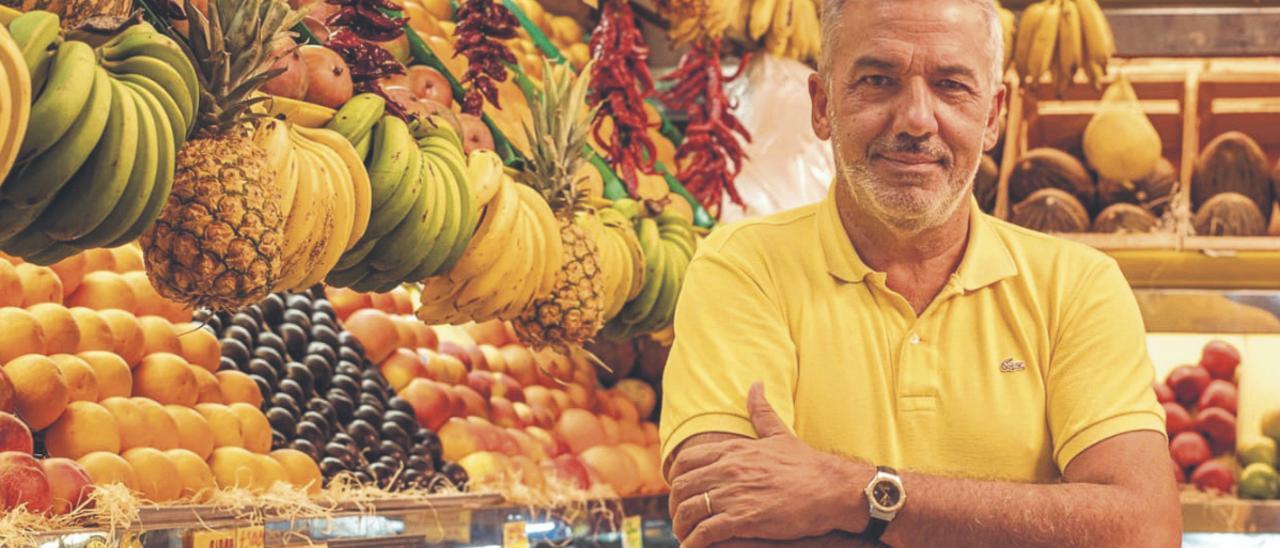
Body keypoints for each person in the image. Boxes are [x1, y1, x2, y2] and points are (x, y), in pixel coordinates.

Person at [657, 1, 1183, 546]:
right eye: (878, 80)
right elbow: (725, 519)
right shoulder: (742, 269)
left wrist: (852, 491)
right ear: (822, 105)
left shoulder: (1077, 287)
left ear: (993, 116)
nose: (915, 120)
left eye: (951, 85)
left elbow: (1141, 528)